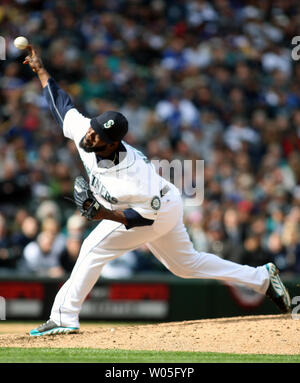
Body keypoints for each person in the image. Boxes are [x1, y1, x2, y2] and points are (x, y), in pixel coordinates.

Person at [23, 45, 291, 337]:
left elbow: (142, 220)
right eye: (93, 128)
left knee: (92, 248)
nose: (89, 134)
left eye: (97, 134)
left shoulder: (133, 175)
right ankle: (262, 278)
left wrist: (103, 214)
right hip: (164, 199)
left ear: (112, 144)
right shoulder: (87, 132)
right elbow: (62, 105)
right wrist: (41, 70)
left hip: (155, 210)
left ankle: (64, 316)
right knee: (185, 266)